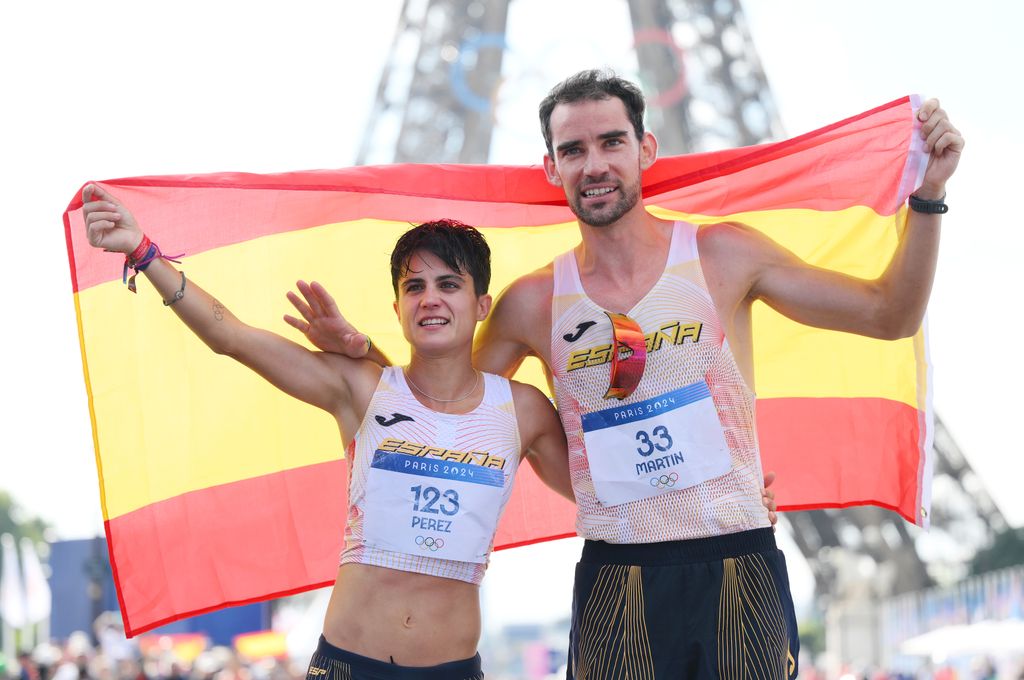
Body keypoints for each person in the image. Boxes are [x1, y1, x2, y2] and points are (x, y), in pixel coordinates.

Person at [310, 69, 962, 678]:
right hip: (617, 578)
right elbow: (446, 408)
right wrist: (367, 352)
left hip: (740, 561)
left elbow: (889, 314)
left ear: (645, 149)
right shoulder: (534, 304)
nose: (594, 164)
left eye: (611, 141)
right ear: (551, 167)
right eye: (573, 150)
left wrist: (927, 197)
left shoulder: (722, 255)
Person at [80, 189, 574, 679]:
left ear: (482, 304)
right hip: (348, 662)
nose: (430, 300)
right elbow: (229, 335)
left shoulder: (522, 409)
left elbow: (593, 491)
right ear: (398, 307)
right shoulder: (360, 388)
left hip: (452, 668)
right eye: (414, 287)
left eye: (449, 285)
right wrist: (143, 253)